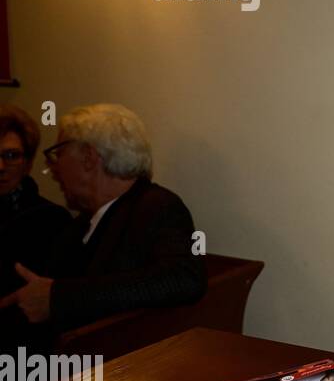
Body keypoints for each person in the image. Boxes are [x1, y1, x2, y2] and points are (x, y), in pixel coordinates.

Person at [0, 103, 206, 333]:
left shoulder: (158, 206)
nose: (54, 169)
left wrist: (61, 297)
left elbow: (185, 278)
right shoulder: (79, 225)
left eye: (59, 154)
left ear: (88, 158)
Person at [0, 105, 72, 360]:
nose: (1, 166)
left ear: (28, 163)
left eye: (11, 156)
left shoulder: (51, 220)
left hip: (21, 351)